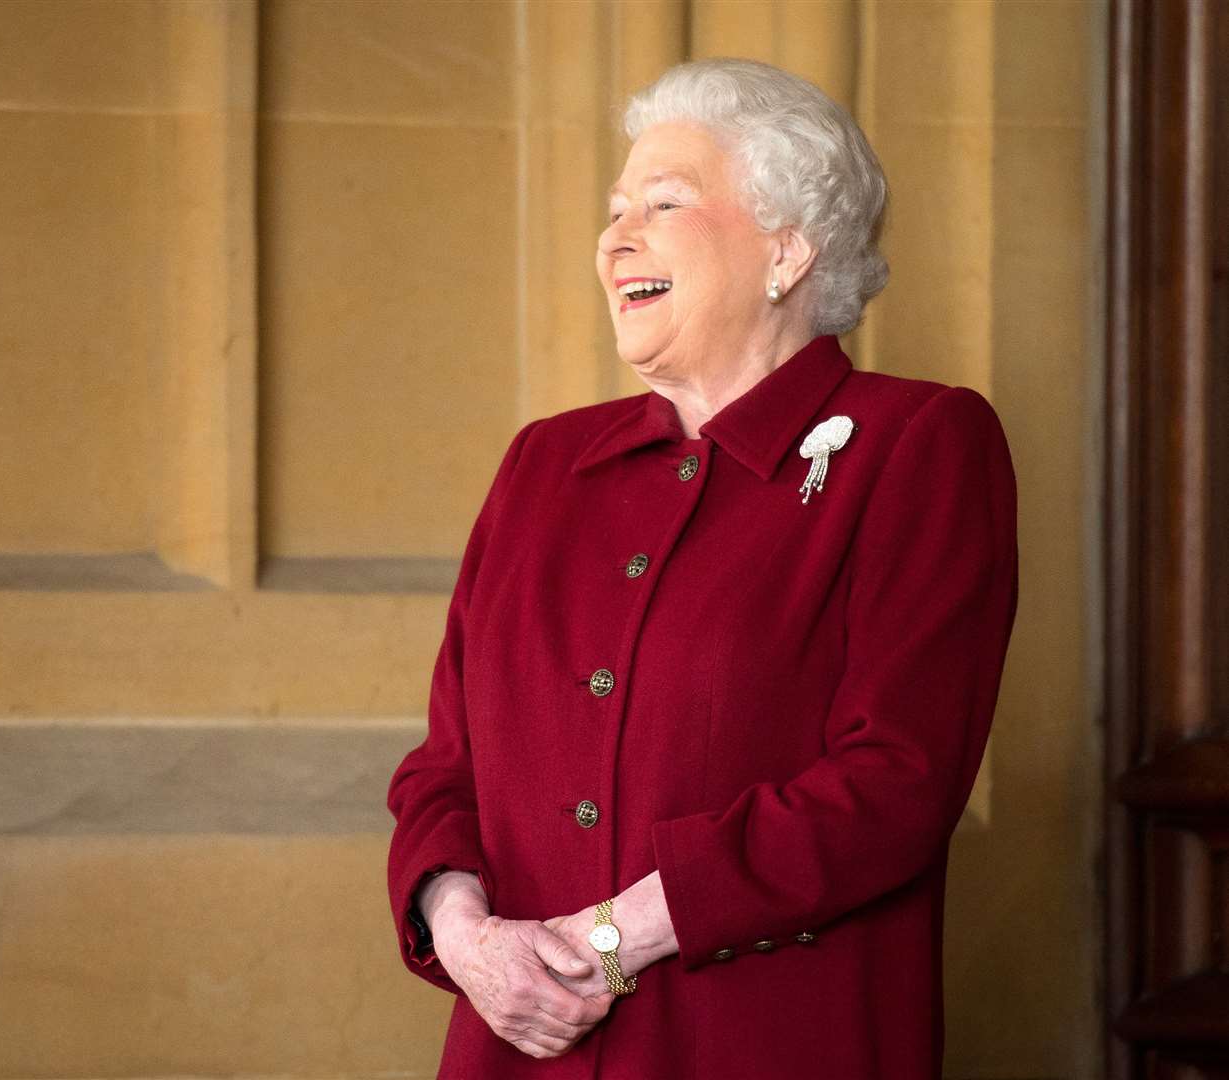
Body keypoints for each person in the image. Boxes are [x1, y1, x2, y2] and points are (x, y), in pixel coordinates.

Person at [385, 57, 1019, 1078]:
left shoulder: (919, 443)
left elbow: (897, 780)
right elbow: (444, 767)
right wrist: (465, 937)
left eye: (663, 202)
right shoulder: (546, 463)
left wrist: (610, 942)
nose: (614, 236)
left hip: (765, 1043)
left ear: (787, 248)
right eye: (614, 208)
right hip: (519, 1049)